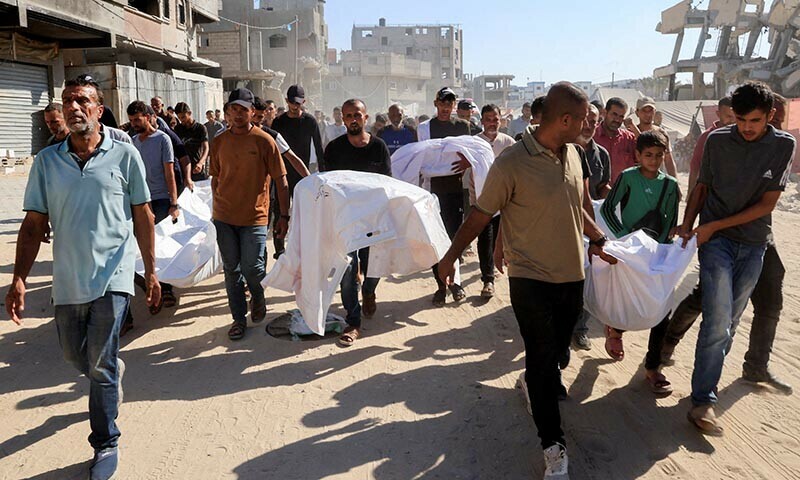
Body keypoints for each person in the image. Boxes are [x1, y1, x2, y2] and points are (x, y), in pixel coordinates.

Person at [437, 82, 616, 479]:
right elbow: (482, 214)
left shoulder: (573, 154)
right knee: (540, 353)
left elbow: (574, 208)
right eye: (585, 119)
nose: (591, 124)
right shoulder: (512, 162)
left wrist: (599, 239)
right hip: (529, 276)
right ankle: (553, 446)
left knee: (558, 352)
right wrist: (450, 257)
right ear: (565, 119)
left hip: (572, 274)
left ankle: (537, 379)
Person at [6, 74, 159, 480]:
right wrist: (19, 278)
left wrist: (152, 270)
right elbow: (33, 223)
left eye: (82, 101)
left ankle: (106, 442)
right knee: (77, 357)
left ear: (98, 107)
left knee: (101, 363)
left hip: (114, 275)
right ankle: (107, 371)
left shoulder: (125, 155)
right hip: (69, 279)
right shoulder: (47, 162)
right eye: (68, 101)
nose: (74, 108)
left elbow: (143, 215)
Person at [678, 82, 795, 436]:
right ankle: (703, 400)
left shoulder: (783, 145)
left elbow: (767, 204)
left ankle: (699, 373)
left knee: (729, 322)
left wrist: (713, 224)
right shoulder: (717, 141)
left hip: (754, 244)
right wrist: (689, 225)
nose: (746, 127)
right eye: (741, 119)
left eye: (755, 121)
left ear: (770, 116)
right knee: (716, 320)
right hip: (717, 244)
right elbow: (701, 188)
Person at [599, 130, 680, 394]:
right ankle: (616, 331)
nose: (654, 160)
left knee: (661, 307)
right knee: (627, 296)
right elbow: (608, 209)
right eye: (648, 155)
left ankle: (653, 367)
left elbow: (670, 222)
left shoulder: (670, 185)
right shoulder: (627, 178)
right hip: (630, 252)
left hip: (656, 254)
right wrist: (624, 238)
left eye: (659, 155)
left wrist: (664, 255)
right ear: (638, 155)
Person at [210, 88, 290, 341]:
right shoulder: (219, 141)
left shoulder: (264, 141)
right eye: (232, 109)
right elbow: (216, 178)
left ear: (252, 112)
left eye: (243, 109)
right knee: (232, 270)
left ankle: (257, 294)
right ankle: (237, 320)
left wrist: (283, 216)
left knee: (252, 268)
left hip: (255, 216)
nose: (237, 114)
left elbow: (281, 180)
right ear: (227, 113)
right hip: (224, 216)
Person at [322, 99, 392, 346]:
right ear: (342, 118)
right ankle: (353, 320)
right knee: (347, 270)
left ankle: (370, 290)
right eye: (348, 115)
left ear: (366, 117)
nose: (353, 119)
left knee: (373, 266)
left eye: (357, 115)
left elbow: (387, 184)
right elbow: (325, 185)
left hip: (373, 219)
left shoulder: (379, 147)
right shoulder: (333, 149)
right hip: (345, 220)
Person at [418, 87, 472, 306]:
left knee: (453, 239)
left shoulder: (462, 126)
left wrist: (469, 162)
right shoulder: (424, 128)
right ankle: (441, 286)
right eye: (442, 103)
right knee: (434, 240)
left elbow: (473, 152)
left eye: (449, 104)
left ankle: (455, 283)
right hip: (431, 192)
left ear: (454, 105)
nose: (445, 108)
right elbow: (417, 155)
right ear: (435, 103)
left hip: (455, 190)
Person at [127, 100, 181, 314]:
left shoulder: (162, 139)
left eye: (137, 120)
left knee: (157, 246)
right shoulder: (131, 142)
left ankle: (165, 289)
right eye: (131, 121)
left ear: (148, 117)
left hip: (160, 200)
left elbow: (169, 172)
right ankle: (152, 287)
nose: (134, 124)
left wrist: (173, 202)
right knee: (141, 248)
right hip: (140, 201)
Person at [570, 103, 611, 351]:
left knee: (590, 276)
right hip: (563, 223)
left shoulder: (601, 154)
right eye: (585, 120)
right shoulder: (562, 150)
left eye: (594, 121)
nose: (589, 125)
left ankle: (580, 328)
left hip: (591, 224)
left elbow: (602, 186)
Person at [271, 84, 324, 256]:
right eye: (292, 103)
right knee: (280, 211)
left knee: (305, 212)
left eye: (299, 103)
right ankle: (280, 250)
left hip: (303, 175)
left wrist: (323, 174)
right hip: (282, 174)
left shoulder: (310, 122)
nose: (295, 106)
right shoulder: (279, 122)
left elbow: (318, 147)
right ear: (287, 101)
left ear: (304, 102)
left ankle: (304, 249)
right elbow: (272, 149)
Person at [474, 104, 515, 298]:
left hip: (505, 203)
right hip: (482, 203)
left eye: (495, 119)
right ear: (481, 121)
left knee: (503, 240)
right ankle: (488, 279)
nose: (492, 123)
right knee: (485, 239)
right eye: (488, 119)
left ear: (501, 121)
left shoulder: (509, 143)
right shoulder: (473, 143)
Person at [252, 97, 311, 178]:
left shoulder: (272, 135)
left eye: (259, 117)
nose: (255, 120)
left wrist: (310, 180)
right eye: (253, 116)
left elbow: (293, 158)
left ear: (264, 114)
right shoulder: (233, 134)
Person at [687, 96, 735, 194]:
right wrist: (691, 192)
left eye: (736, 116)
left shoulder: (743, 135)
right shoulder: (706, 136)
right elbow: (695, 164)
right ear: (718, 114)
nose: (732, 121)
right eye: (728, 116)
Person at [623, 97, 678, 177]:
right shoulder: (629, 134)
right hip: (634, 180)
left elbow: (668, 160)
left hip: (655, 181)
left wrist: (675, 183)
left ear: (654, 112)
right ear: (637, 112)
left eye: (650, 110)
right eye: (644, 111)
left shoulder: (661, 133)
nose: (648, 114)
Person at [593, 97, 637, 185]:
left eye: (621, 116)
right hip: (597, 195)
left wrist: (634, 128)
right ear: (605, 113)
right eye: (614, 114)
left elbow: (647, 150)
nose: (617, 120)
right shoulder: (592, 136)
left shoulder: (629, 138)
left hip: (623, 194)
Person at [173, 102, 210, 182]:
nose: (181, 120)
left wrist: (201, 163)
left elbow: (206, 147)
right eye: (179, 118)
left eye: (183, 117)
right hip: (183, 169)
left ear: (189, 113)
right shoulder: (178, 129)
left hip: (197, 169)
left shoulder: (200, 128)